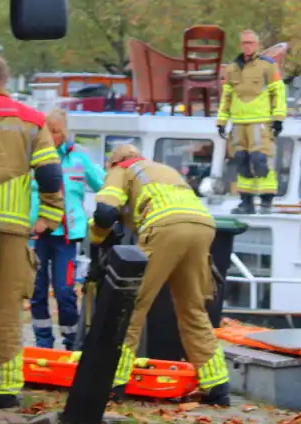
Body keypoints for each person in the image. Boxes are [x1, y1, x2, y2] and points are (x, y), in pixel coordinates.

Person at [91, 143, 231, 406]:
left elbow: (105, 212)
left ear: (113, 162)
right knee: (193, 310)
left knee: (132, 306)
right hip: (203, 226)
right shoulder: (162, 169)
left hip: (164, 227)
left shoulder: (120, 169)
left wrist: (96, 237)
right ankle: (217, 386)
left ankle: (114, 382)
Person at [0, 55, 65, 409]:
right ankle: (5, 390)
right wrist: (49, 217)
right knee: (7, 309)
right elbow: (50, 175)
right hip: (10, 230)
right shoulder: (32, 120)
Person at [28, 108, 107, 351]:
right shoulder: (30, 158)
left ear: (64, 132)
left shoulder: (78, 158)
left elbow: (103, 184)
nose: (52, 137)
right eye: (48, 131)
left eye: (56, 131)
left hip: (66, 236)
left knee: (64, 291)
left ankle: (72, 342)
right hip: (37, 234)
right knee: (37, 290)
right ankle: (43, 342)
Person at [216, 29, 287, 214]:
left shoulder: (268, 65)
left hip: (261, 121)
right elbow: (227, 96)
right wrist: (221, 121)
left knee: (261, 160)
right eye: (244, 43)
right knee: (242, 161)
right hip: (239, 123)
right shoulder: (232, 68)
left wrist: (278, 118)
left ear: (257, 45)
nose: (247, 46)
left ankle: (266, 202)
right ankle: (246, 202)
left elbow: (278, 92)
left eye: (250, 43)